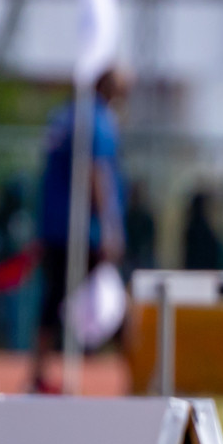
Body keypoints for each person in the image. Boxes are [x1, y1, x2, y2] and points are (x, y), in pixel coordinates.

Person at [29, 66, 130, 393]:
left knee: (53, 299)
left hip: (55, 226)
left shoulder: (64, 116)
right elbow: (95, 172)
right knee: (119, 300)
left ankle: (38, 373)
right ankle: (138, 375)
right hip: (85, 231)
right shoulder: (97, 120)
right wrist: (111, 227)